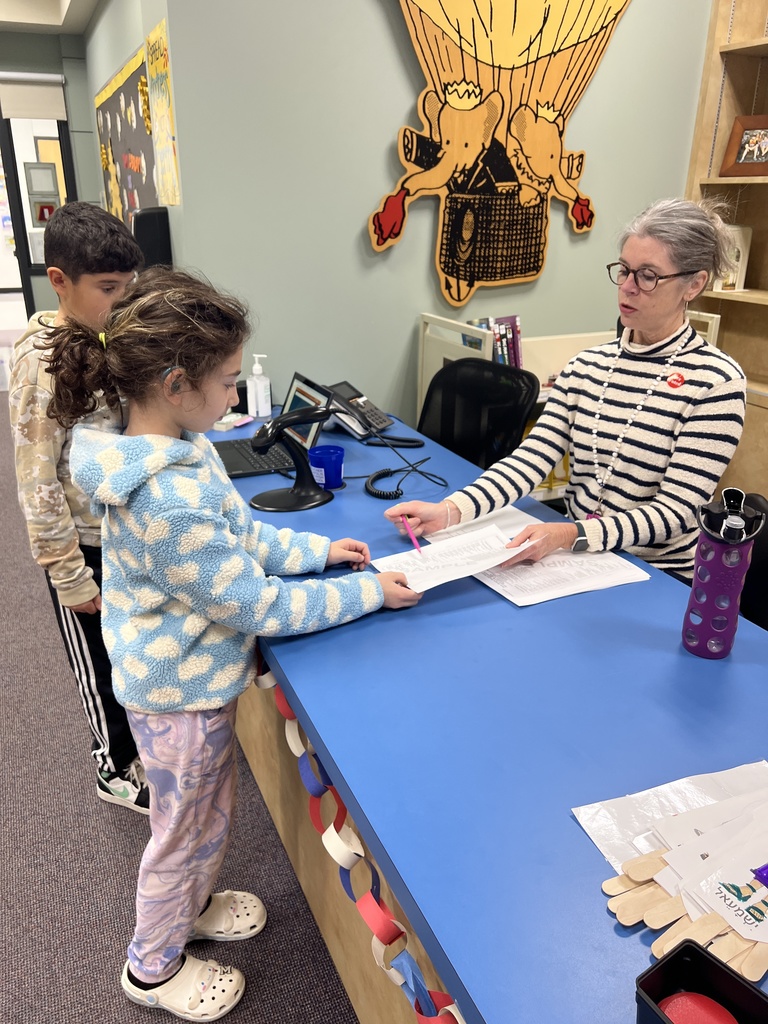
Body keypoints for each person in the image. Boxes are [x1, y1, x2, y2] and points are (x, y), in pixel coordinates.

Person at [43, 266, 421, 1021]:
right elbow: (256, 603)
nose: (234, 395)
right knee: (182, 834)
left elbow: (242, 536)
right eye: (225, 382)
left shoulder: (182, 445)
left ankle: (192, 905)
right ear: (176, 384)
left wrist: (317, 552)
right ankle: (152, 966)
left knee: (205, 817)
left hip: (190, 681)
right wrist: (368, 592)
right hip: (177, 697)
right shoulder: (166, 496)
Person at [387, 197, 747, 580]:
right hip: (581, 559)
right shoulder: (587, 365)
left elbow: (675, 512)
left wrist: (570, 534)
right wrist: (450, 511)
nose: (627, 288)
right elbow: (531, 459)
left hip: (655, 574)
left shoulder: (716, 382)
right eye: (624, 270)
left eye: (648, 276)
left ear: (694, 284)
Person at [8, 200, 149, 812]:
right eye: (109, 288)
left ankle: (141, 745)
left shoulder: (102, 335)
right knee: (97, 662)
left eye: (127, 286)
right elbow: (36, 481)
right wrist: (68, 574)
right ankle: (112, 767)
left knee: (128, 651)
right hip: (81, 549)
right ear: (59, 281)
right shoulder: (40, 365)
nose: (122, 300)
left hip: (120, 532)